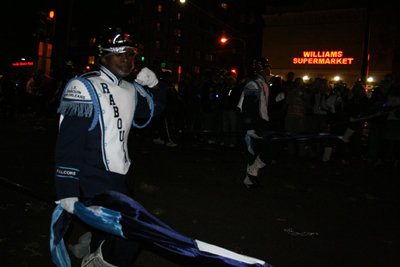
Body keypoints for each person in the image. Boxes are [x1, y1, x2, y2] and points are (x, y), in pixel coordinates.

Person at [54, 29, 164, 267]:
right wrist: (67, 190)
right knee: (132, 233)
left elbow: (155, 111)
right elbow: (69, 143)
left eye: (129, 54)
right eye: (118, 55)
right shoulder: (84, 85)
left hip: (122, 176)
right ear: (103, 58)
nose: (126, 59)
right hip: (94, 176)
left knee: (110, 234)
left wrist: (155, 85)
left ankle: (93, 248)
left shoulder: (130, 88)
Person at [238, 57, 281, 188]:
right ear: (262, 69)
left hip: (263, 122)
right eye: (268, 67)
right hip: (257, 124)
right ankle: (252, 171)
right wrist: (249, 126)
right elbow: (247, 107)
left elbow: (264, 104)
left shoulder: (263, 84)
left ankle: (249, 178)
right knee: (272, 147)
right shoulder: (253, 84)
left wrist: (277, 100)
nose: (270, 69)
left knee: (261, 150)